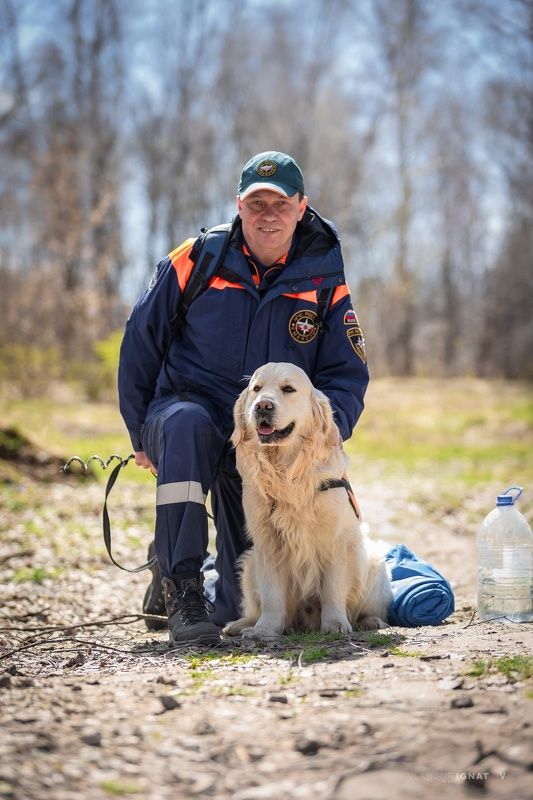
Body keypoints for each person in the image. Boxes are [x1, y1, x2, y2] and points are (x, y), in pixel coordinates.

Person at [118, 151, 369, 645]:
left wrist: (329, 426)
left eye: (280, 203)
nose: (268, 214)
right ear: (239, 205)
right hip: (184, 412)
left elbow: (346, 372)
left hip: (264, 439)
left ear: (302, 207)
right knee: (189, 425)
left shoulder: (324, 279)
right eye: (257, 203)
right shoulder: (196, 258)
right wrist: (139, 432)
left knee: (242, 601)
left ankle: (174, 568)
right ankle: (180, 585)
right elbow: (139, 343)